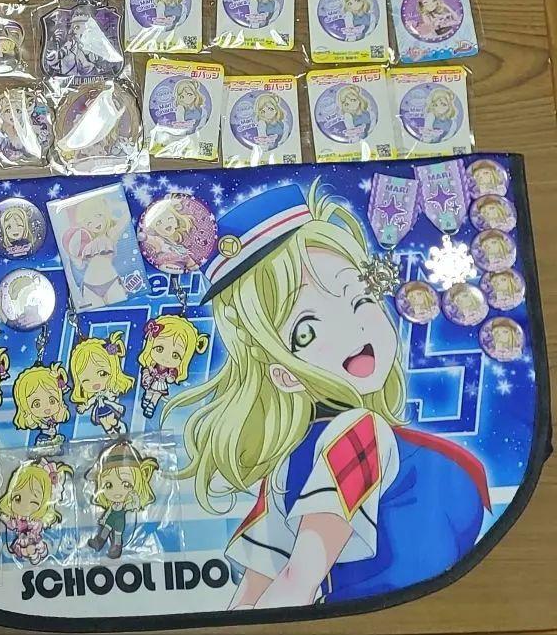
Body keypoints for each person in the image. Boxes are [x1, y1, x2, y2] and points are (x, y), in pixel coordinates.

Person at [164, 184, 488, 607]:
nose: (353, 332)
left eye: (359, 298)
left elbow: (288, 584)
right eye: (306, 332)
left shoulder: (355, 435)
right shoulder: (315, 453)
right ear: (282, 374)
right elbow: (267, 586)